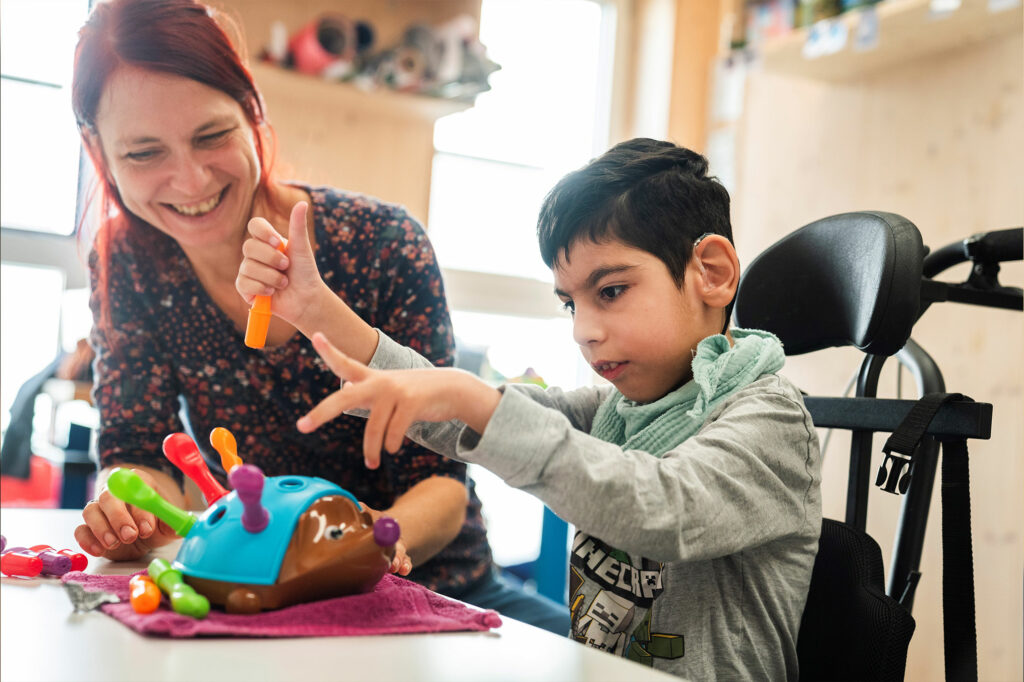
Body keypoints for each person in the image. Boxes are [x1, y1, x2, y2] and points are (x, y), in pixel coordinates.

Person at [69, 0, 567, 634]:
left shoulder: (380, 243)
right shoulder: (129, 260)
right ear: (97, 148)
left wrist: (355, 552)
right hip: (256, 603)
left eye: (212, 135)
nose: (189, 180)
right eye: (143, 153)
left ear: (253, 110)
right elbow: (140, 452)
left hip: (437, 597)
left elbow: (443, 488)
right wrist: (131, 508)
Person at [240, 138, 822, 679]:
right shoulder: (618, 410)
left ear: (711, 274)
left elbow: (664, 507)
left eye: (611, 291)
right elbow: (459, 413)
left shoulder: (771, 420)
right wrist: (315, 310)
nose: (584, 331)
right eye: (571, 304)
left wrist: (474, 399)